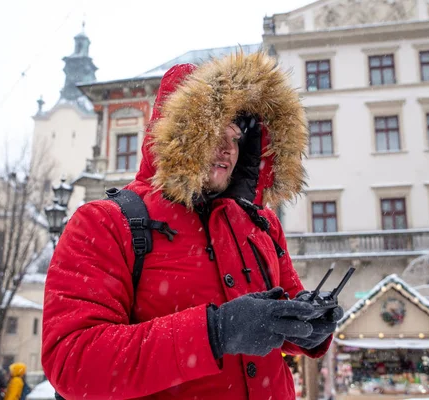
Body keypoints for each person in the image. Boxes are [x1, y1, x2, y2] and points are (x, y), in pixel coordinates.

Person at [42, 51, 343, 399]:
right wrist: (215, 332)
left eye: (234, 138)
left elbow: (279, 315)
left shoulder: (262, 224)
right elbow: (73, 360)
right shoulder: (106, 222)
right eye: (211, 132)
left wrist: (308, 324)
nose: (227, 149)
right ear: (178, 135)